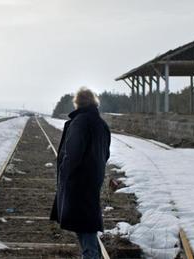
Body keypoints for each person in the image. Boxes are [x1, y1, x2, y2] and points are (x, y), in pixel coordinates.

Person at [50, 87, 111, 259]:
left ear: (77, 103)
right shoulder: (101, 123)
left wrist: (64, 174)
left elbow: (73, 154)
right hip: (92, 179)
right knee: (85, 221)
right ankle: (92, 254)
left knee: (84, 225)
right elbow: (106, 154)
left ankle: (91, 255)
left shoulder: (80, 121)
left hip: (77, 181)